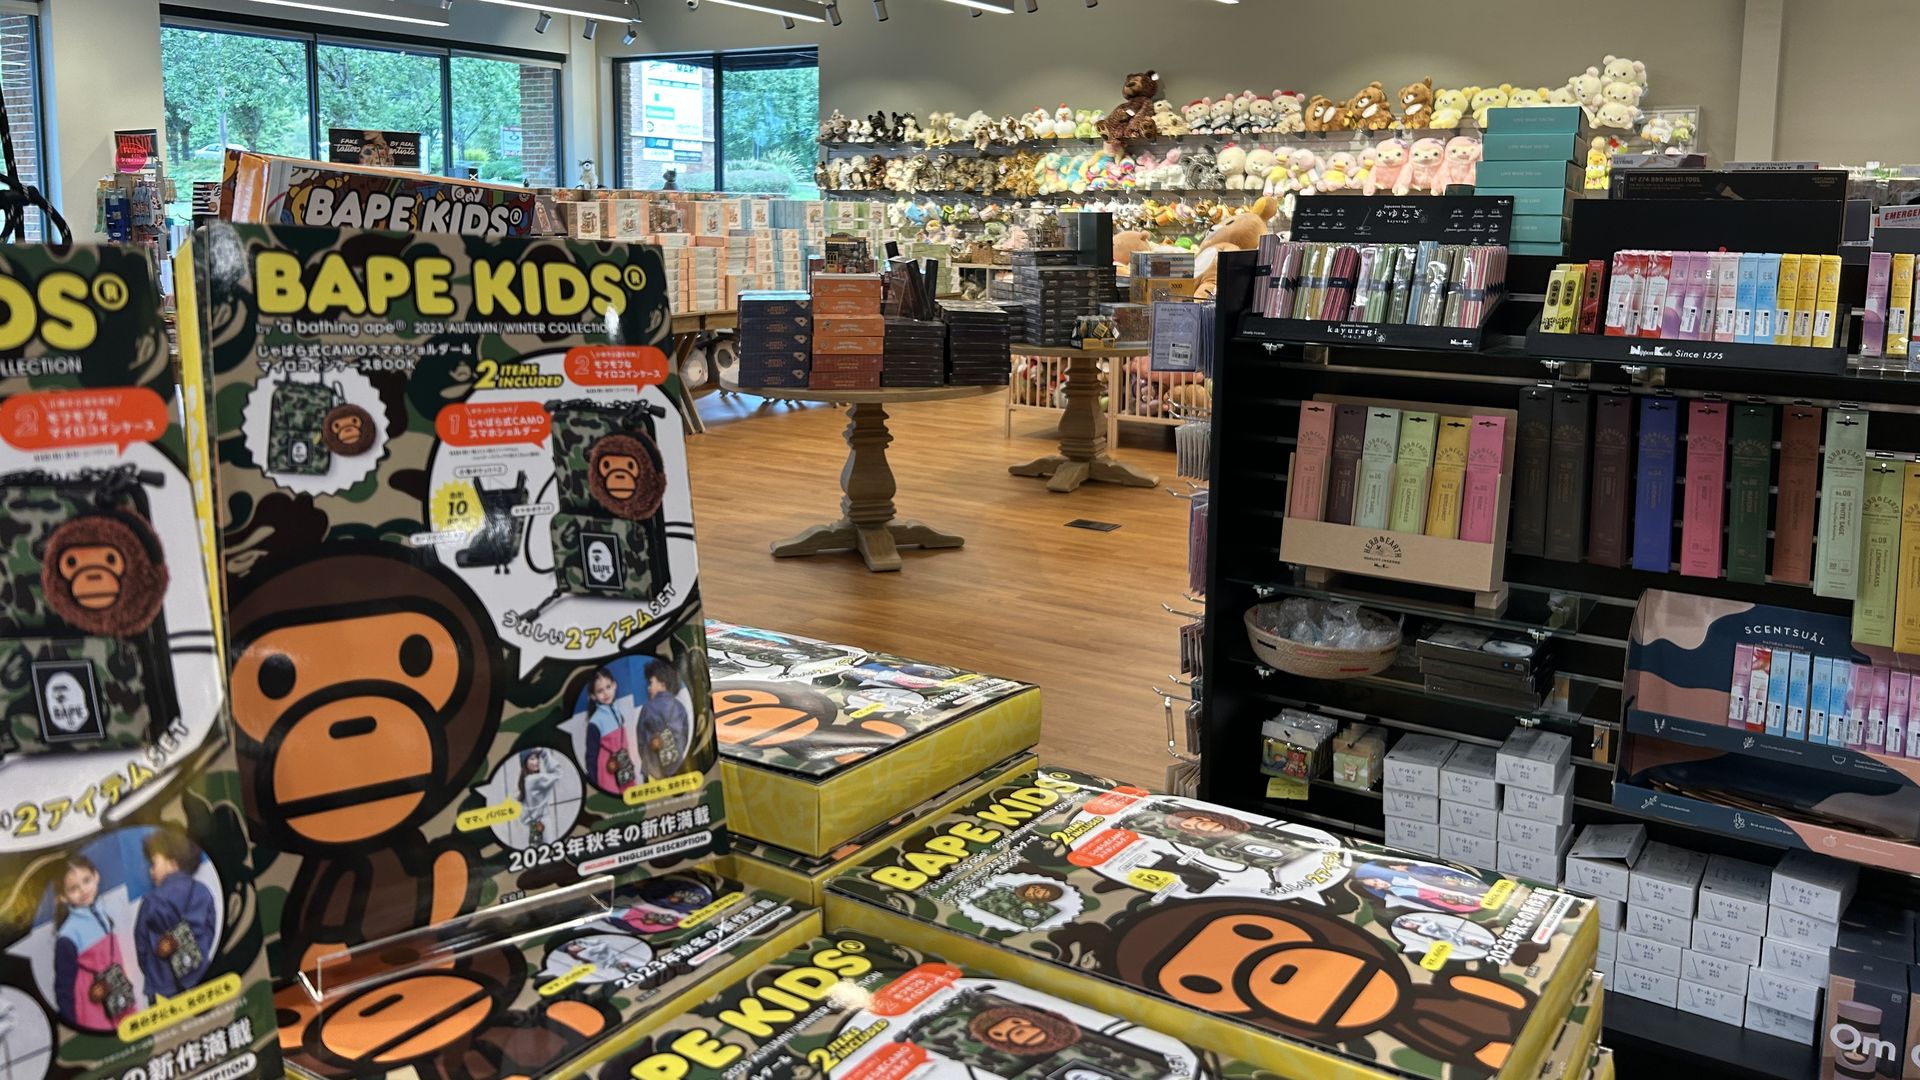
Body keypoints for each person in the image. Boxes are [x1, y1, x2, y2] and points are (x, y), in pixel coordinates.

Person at [52, 855, 138, 1030]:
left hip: (117, 989)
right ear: (63, 896)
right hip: (91, 1002)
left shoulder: (105, 913)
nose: (83, 890)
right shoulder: (68, 935)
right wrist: (72, 1024)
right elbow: (64, 987)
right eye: (73, 888)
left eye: (86, 880)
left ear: (96, 876)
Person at [134, 832, 216, 999]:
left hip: (163, 984)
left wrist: (151, 968)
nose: (151, 871)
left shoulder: (151, 901)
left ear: (173, 863)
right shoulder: (202, 891)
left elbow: (141, 943)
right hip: (200, 974)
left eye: (153, 864)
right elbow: (210, 927)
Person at [582, 668, 636, 794]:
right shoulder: (595, 722)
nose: (606, 693)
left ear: (614, 685)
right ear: (593, 696)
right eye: (600, 691)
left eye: (608, 686)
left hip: (623, 763)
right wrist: (595, 784)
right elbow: (591, 757)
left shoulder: (618, 711)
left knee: (630, 795)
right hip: (607, 768)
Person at [636, 660, 691, 780]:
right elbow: (685, 735)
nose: (649, 688)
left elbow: (640, 739)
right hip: (679, 765)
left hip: (654, 768)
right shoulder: (679, 706)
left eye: (651, 683)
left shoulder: (648, 708)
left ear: (662, 683)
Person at [517, 749, 563, 846]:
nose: (536, 762)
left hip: (533, 825)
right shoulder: (534, 780)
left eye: (537, 758)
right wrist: (544, 753)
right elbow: (557, 773)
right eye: (532, 759)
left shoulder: (525, 781)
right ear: (525, 763)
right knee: (550, 851)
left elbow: (523, 814)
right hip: (543, 822)